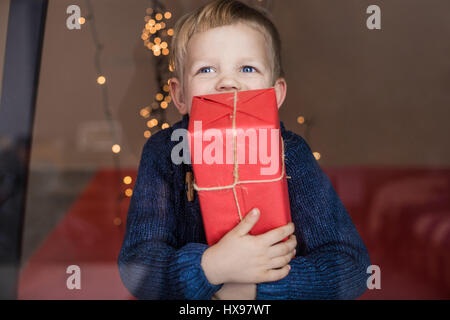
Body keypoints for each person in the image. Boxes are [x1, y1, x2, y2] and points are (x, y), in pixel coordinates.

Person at [118, 0, 371, 300]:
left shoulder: (292, 154)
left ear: (275, 94)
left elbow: (352, 267)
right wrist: (210, 268)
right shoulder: (164, 154)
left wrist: (254, 287)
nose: (228, 82)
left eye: (247, 68)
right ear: (179, 95)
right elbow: (137, 267)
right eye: (206, 69)